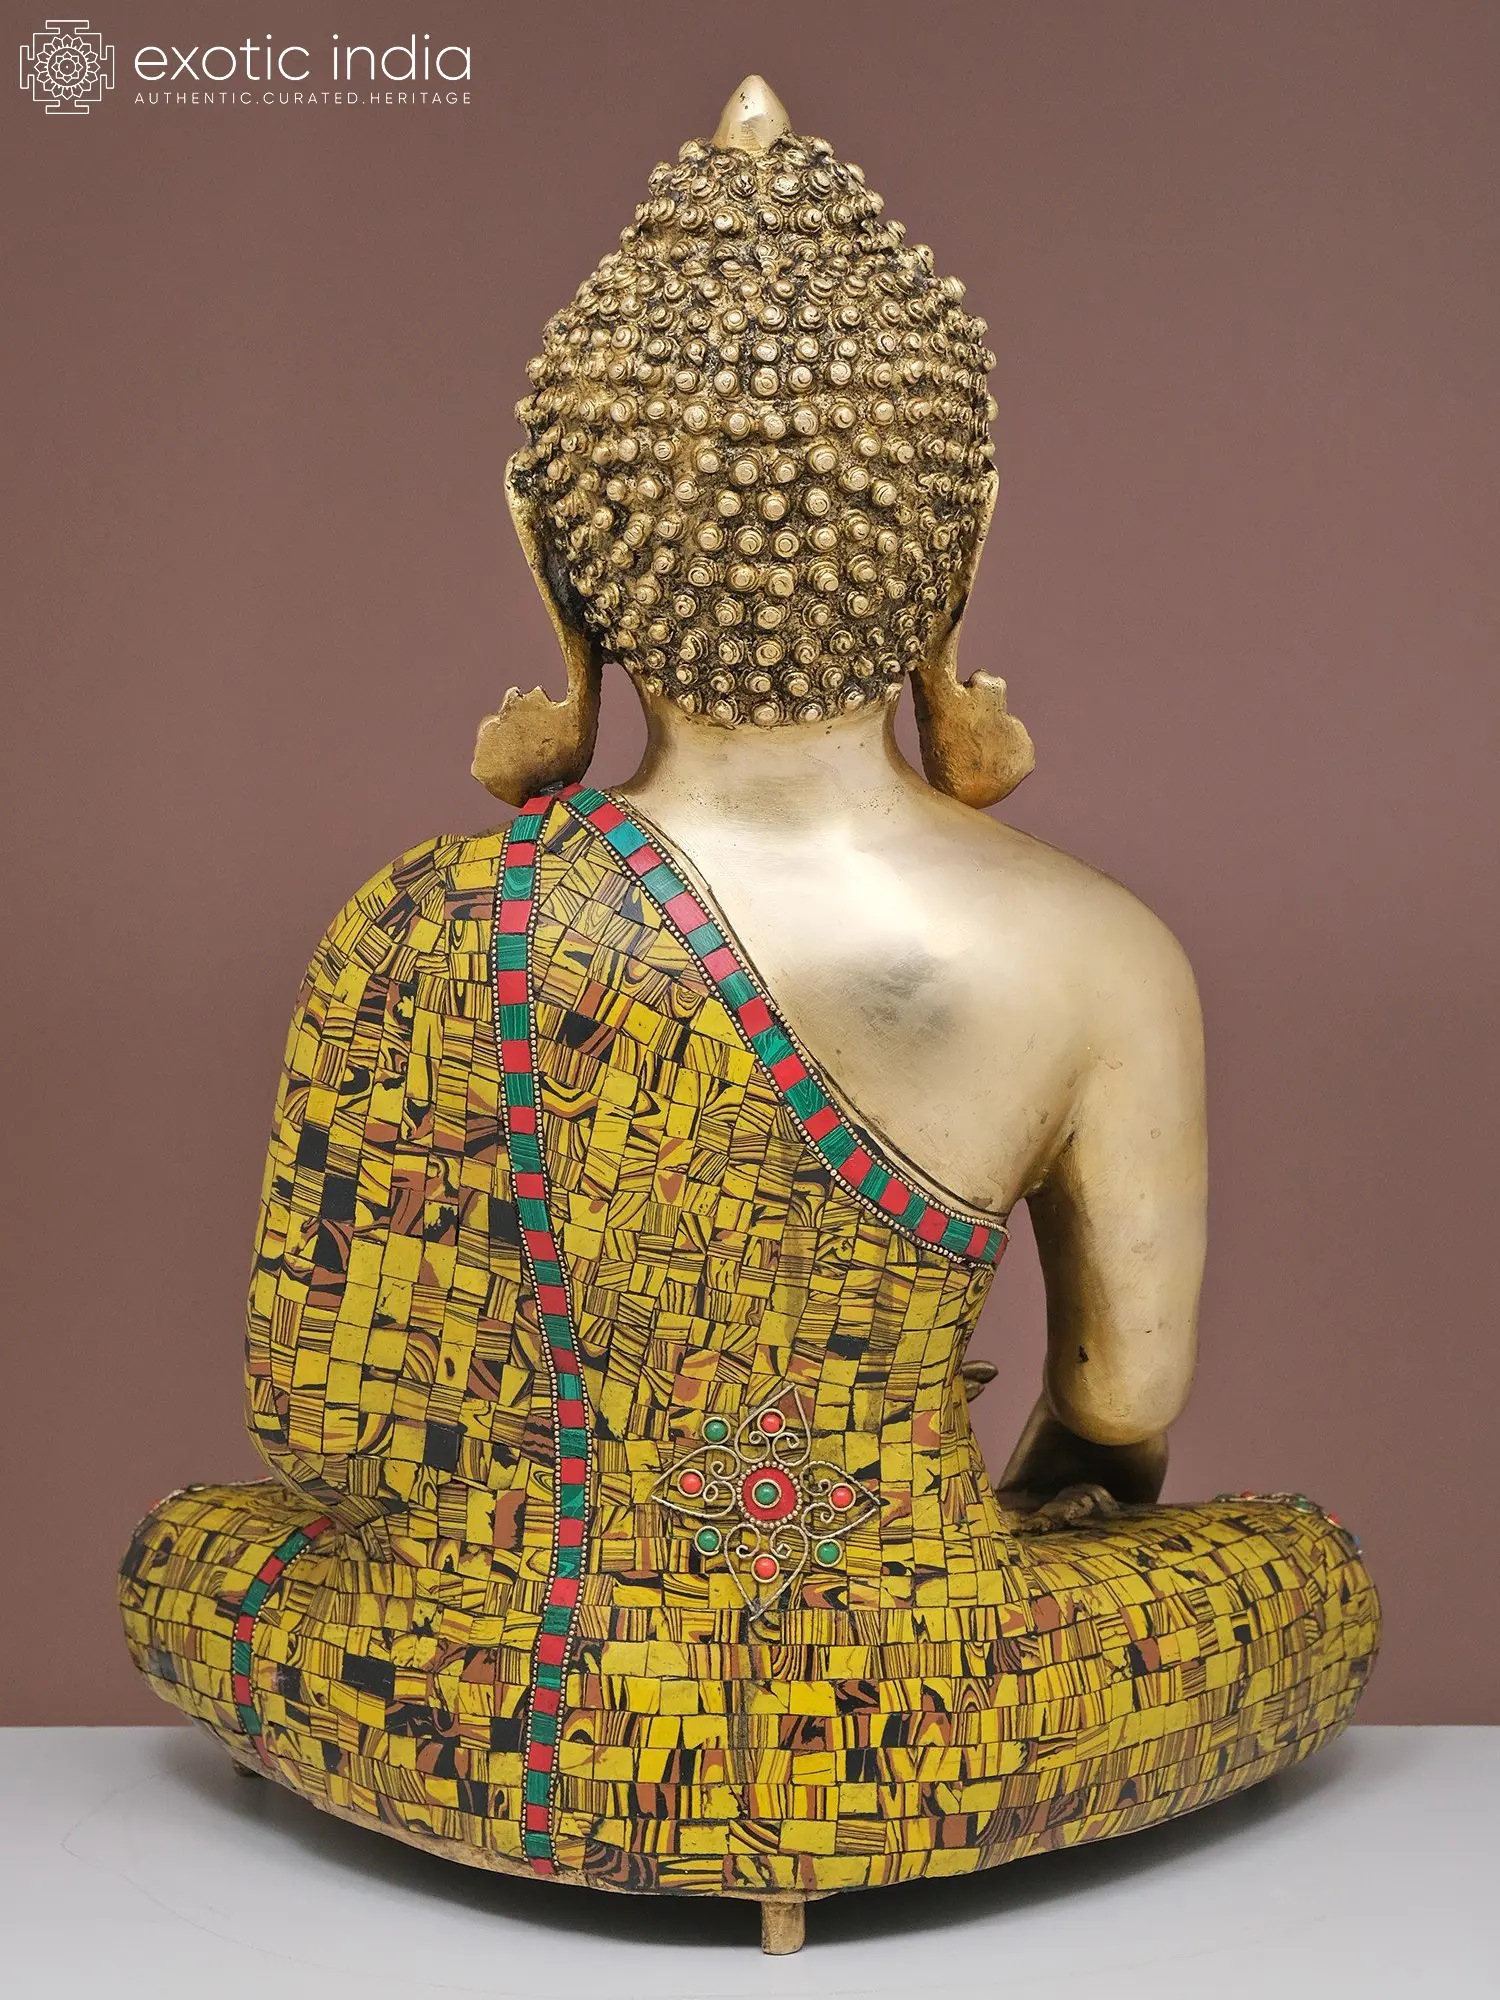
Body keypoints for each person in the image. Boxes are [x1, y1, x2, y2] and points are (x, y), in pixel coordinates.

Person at [120, 80, 1378, 1954]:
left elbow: (318, 1420)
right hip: (926, 1700)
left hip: (509, 1715)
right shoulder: (1099, 950)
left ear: (554, 551)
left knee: (186, 1558)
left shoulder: (428, 925)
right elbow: (1121, 1408)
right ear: (957, 544)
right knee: (1308, 1578)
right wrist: (1004, 1538)